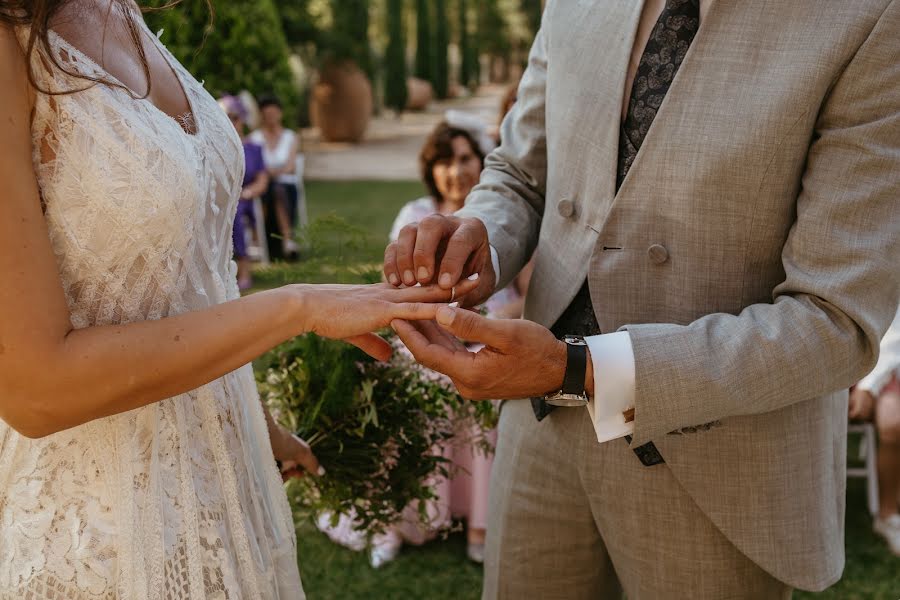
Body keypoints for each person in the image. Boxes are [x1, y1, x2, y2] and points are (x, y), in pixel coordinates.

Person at [385, 0, 900, 598]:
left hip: (718, 465)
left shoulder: (870, 16)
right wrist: (480, 240)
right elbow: (520, 175)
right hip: (539, 431)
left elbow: (834, 321)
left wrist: (578, 368)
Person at [0, 3, 472, 599]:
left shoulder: (118, 8)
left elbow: (185, 285)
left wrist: (255, 420)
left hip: (227, 487)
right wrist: (298, 308)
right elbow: (34, 389)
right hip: (101, 536)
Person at [320, 116, 519, 567]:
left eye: (466, 158)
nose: (456, 169)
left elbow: (524, 296)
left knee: (477, 389)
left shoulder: (504, 221)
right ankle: (391, 521)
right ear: (432, 168)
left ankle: (479, 524)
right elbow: (394, 290)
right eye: (445, 161)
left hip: (486, 333)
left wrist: (481, 319)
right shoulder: (414, 216)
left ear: (481, 162)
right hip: (421, 336)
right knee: (394, 380)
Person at [850, 307, 900, 556]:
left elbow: (894, 337)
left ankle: (888, 514)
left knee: (892, 421)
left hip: (884, 362)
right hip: (856, 360)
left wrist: (870, 386)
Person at [219, 95, 267, 291]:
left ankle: (244, 268)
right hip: (221, 198)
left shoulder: (254, 149)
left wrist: (248, 192)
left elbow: (262, 180)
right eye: (226, 117)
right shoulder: (218, 148)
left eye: (235, 117)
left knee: (235, 214)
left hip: (244, 199)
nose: (231, 121)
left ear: (243, 119)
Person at [248, 94, 302, 260]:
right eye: (267, 114)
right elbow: (254, 165)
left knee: (279, 189)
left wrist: (271, 172)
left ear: (280, 113)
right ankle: (286, 240)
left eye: (273, 113)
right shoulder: (255, 138)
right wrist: (267, 173)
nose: (270, 117)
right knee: (271, 190)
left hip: (285, 184)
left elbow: (291, 166)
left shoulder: (291, 137)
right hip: (264, 185)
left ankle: (260, 239)